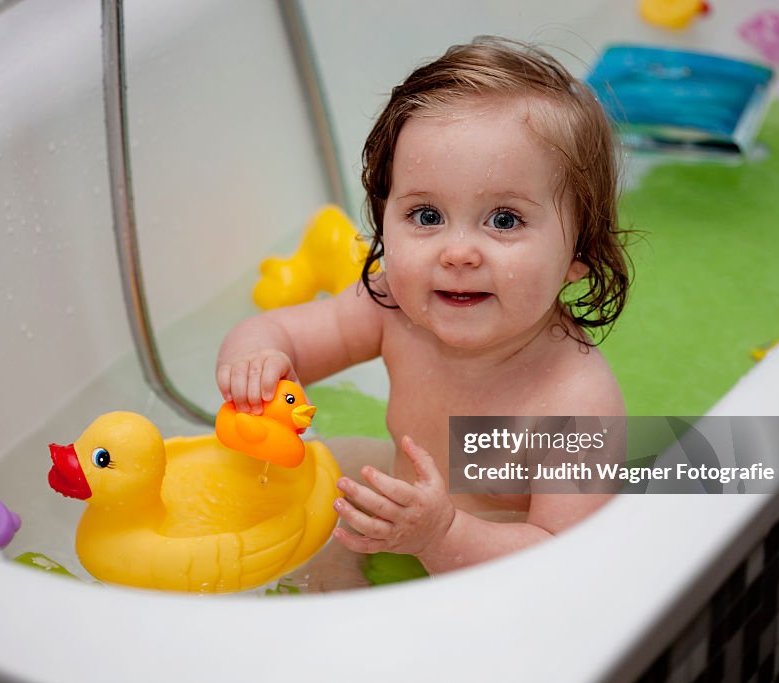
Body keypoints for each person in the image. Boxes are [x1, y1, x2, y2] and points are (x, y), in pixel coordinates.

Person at [216, 36, 630, 575]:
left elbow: (566, 558)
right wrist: (255, 364)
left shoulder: (575, 404)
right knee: (306, 489)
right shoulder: (392, 306)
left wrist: (445, 535)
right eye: (427, 216)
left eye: (504, 219)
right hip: (404, 522)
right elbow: (278, 334)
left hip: (498, 572)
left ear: (580, 253)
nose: (456, 253)